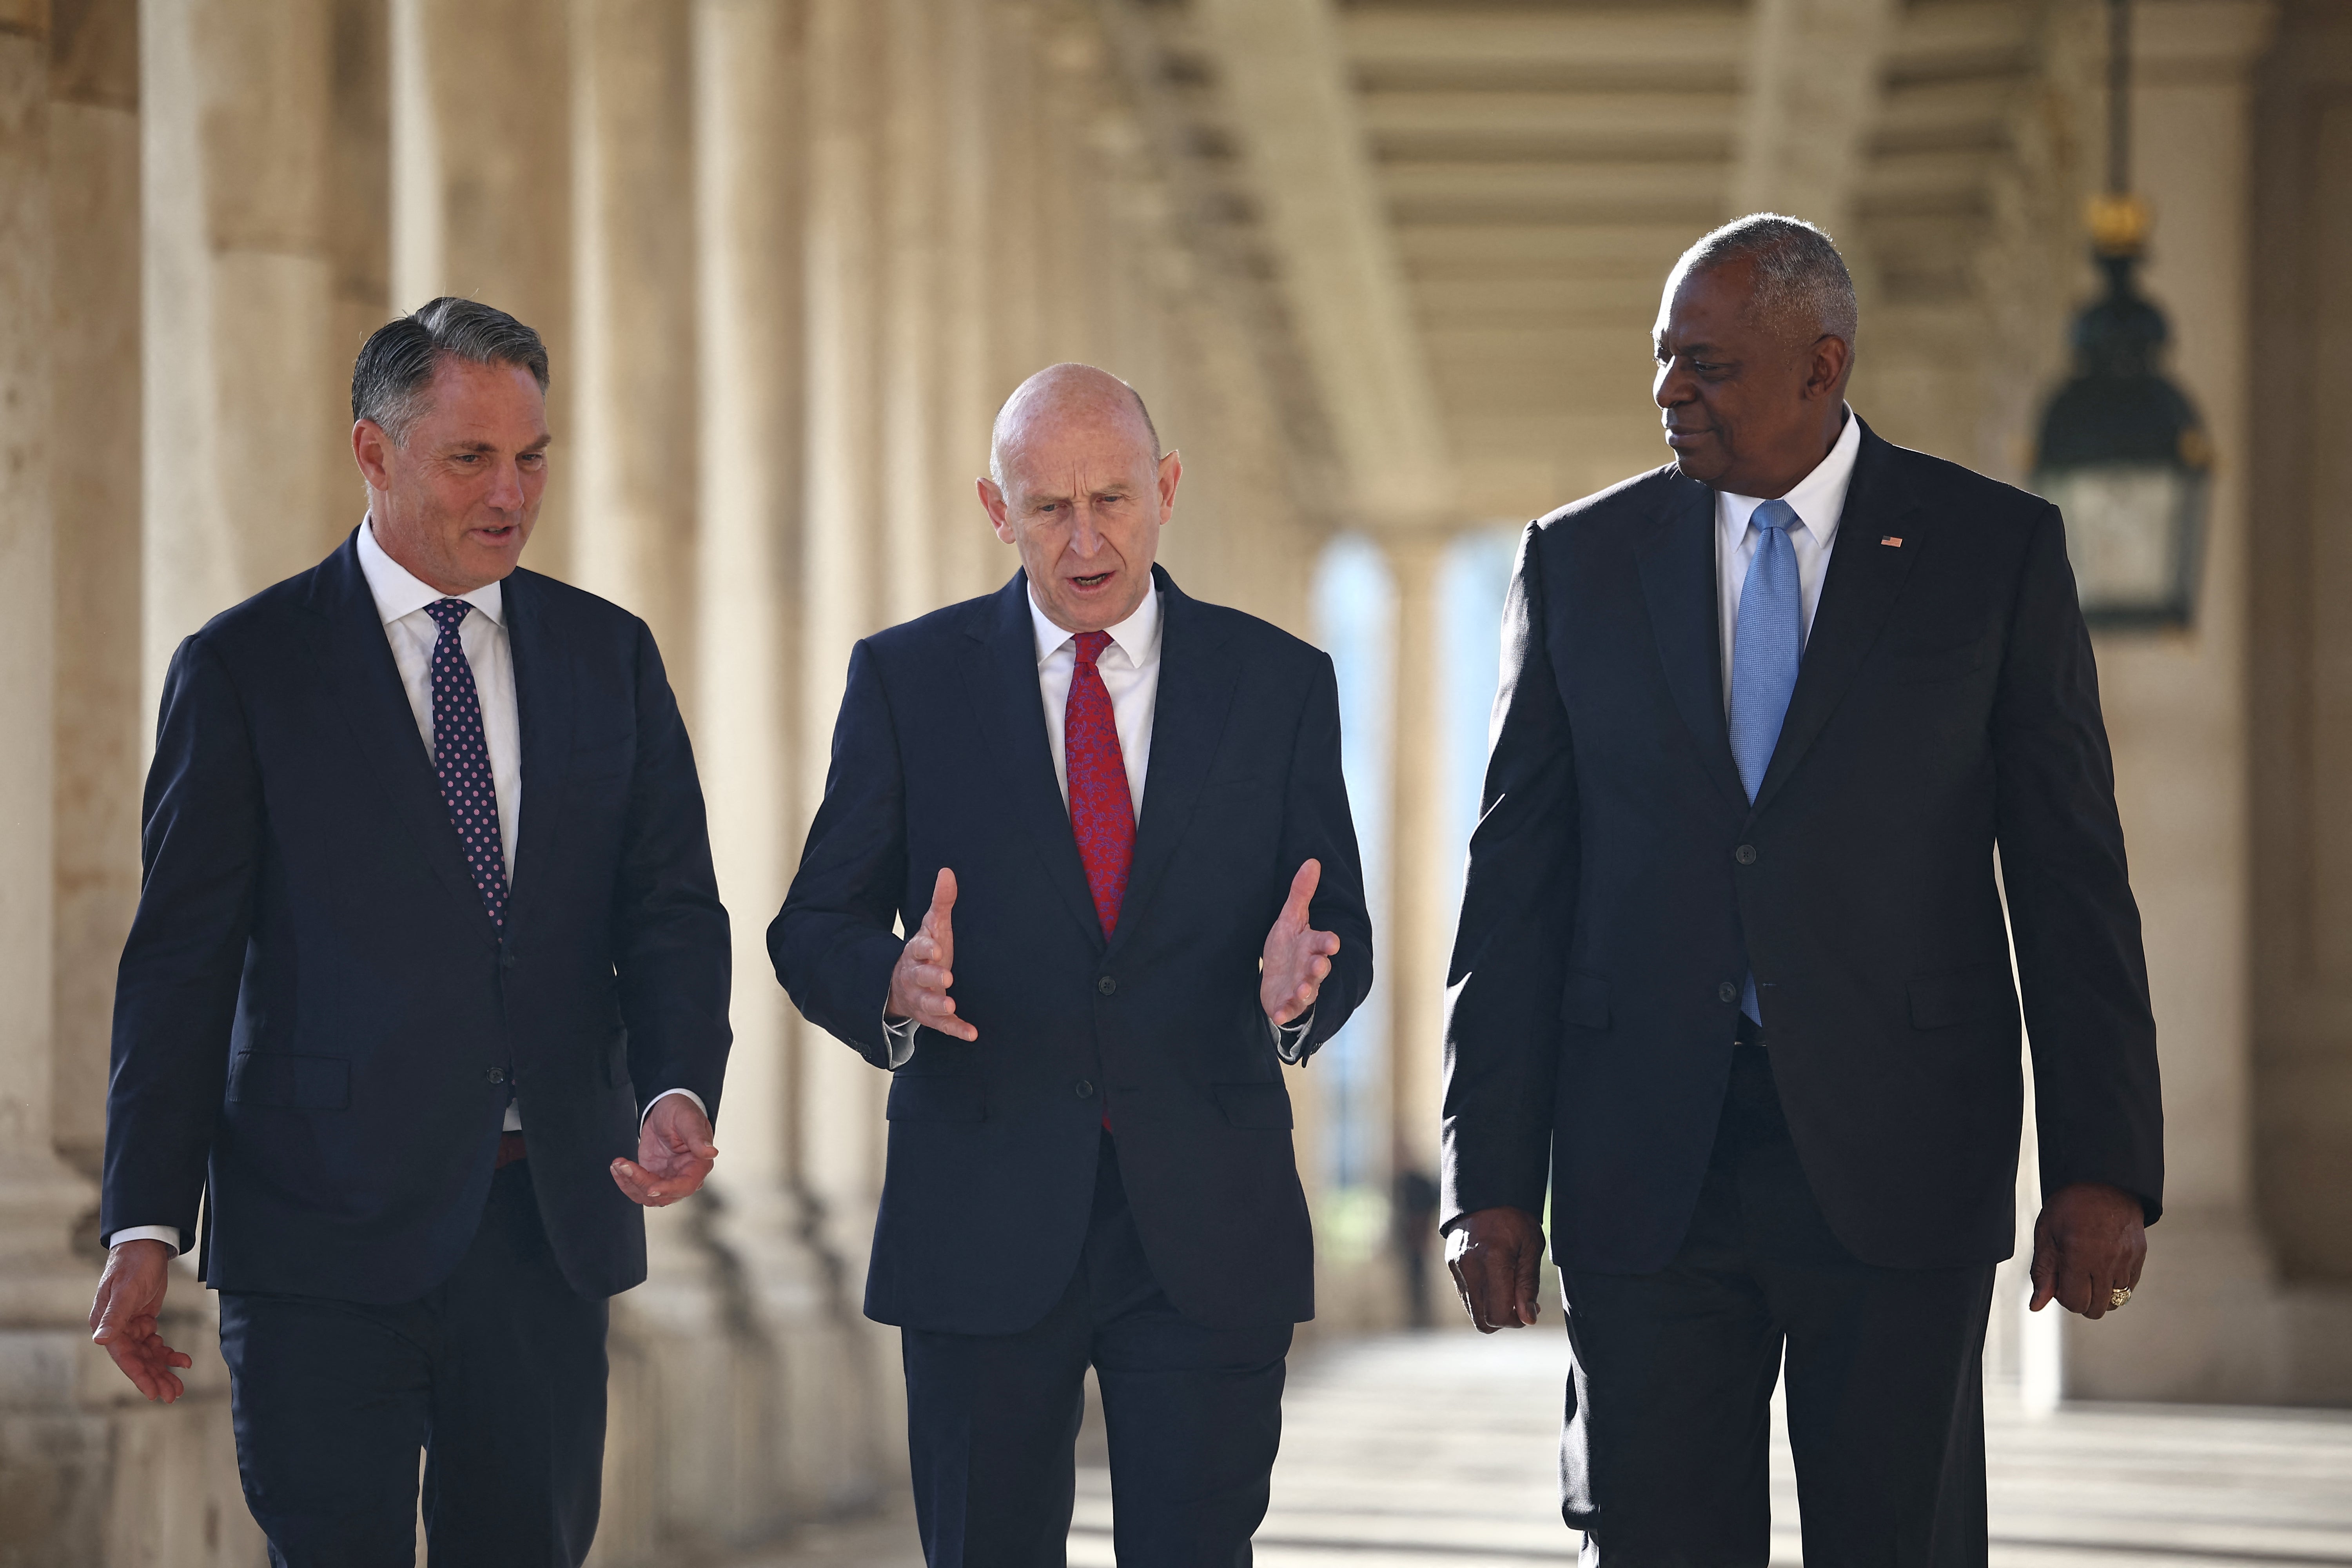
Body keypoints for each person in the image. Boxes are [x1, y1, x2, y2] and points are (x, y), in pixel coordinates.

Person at [1441, 215, 2162, 1564]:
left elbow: (2071, 874)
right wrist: (1487, 1174)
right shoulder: (1577, 563)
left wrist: (2103, 1160)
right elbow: (1515, 890)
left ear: (1821, 367)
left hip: (1903, 1157)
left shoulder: (1990, 555)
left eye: (1705, 365)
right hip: (1646, 1165)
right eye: (1664, 362)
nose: (1670, 393)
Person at [89, 298, 733, 1566]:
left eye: (533, 455)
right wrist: (145, 1222)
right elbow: (181, 962)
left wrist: (674, 1086)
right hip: (315, 1236)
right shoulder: (245, 668)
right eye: (472, 458)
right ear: (374, 455)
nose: (512, 492)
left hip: (543, 1227)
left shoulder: (609, 657)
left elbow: (668, 907)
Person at [771, 363, 1373, 1566]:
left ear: (1167, 489)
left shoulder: (1280, 685)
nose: (1085, 537)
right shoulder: (908, 681)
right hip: (979, 1221)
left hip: (1206, 1224)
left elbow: (1330, 927)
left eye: (1113, 499)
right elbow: (814, 925)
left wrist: (1298, 994)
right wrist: (891, 984)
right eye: (1049, 507)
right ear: (997, 512)